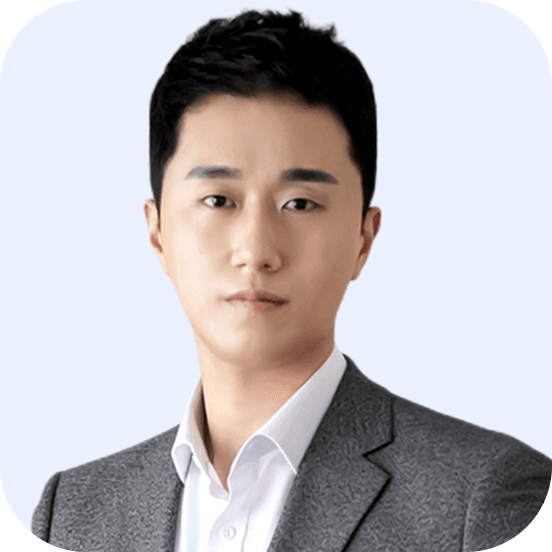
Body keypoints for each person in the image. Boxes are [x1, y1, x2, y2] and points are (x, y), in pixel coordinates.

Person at [31, 9, 551, 552]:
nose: (256, 251)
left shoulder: (485, 499)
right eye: (218, 200)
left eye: (300, 203)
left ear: (363, 238)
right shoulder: (71, 515)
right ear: (158, 232)